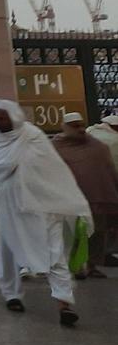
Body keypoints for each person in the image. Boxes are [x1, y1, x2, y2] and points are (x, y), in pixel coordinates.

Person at [0, 100, 89, 326]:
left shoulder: (32, 135)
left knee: (54, 253)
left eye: (3, 118)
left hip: (42, 207)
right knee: (9, 252)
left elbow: (52, 168)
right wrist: (11, 164)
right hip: (11, 208)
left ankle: (64, 303)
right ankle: (12, 294)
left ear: (14, 117)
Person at [54, 112, 118, 280]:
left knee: (97, 233)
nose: (80, 129)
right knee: (73, 234)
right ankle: (76, 267)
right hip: (68, 199)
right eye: (75, 126)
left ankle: (92, 265)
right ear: (66, 128)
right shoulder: (55, 147)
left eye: (81, 125)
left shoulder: (97, 147)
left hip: (97, 198)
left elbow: (109, 171)